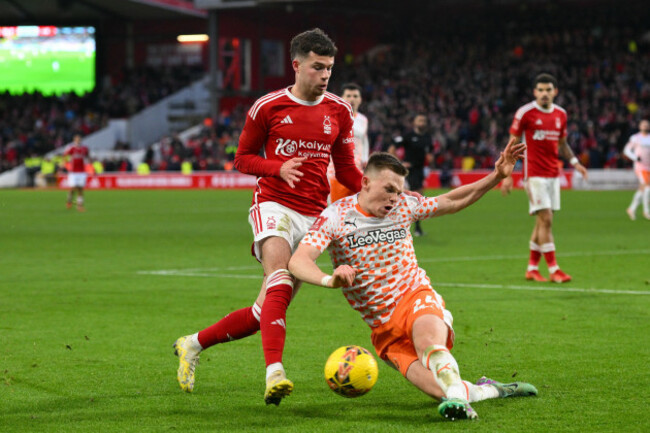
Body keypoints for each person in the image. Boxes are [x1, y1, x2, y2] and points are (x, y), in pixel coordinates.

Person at [173, 28, 363, 406]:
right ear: (296, 65)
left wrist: (375, 195)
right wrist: (277, 168)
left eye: (329, 69)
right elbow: (242, 158)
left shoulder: (339, 111)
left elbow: (346, 171)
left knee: (265, 311)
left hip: (314, 215)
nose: (325, 76)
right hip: (273, 203)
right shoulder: (268, 106)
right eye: (317, 68)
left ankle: (192, 344)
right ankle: (274, 373)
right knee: (277, 274)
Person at [288, 145, 537, 422]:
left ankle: (458, 400)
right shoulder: (336, 215)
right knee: (440, 390)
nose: (395, 197)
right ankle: (490, 391)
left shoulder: (406, 204)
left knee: (428, 342)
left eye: (398, 190)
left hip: (413, 294)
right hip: (382, 326)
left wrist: (496, 176)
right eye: (389, 189)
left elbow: (452, 201)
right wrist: (329, 279)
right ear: (366, 182)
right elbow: (298, 261)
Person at [500, 73, 588, 283]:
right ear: (534, 92)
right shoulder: (526, 113)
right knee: (546, 219)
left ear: (555, 91)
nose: (544, 94)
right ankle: (554, 269)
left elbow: (563, 143)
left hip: (553, 175)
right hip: (534, 175)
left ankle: (531, 268)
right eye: (540, 90)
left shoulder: (561, 114)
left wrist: (575, 163)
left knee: (542, 222)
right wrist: (507, 174)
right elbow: (512, 144)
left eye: (548, 90)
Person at [388, 114, 433, 236]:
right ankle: (408, 228)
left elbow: (430, 152)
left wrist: (430, 160)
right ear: (414, 122)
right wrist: (400, 163)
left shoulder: (427, 138)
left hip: (420, 170)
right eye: (419, 120)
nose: (422, 122)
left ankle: (414, 228)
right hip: (409, 171)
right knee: (414, 198)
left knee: (417, 198)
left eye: (424, 120)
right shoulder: (408, 136)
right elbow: (392, 148)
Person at [328, 83, 370, 202]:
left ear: (360, 99)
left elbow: (364, 139)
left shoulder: (363, 119)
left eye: (355, 96)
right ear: (342, 98)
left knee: (358, 208)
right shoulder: (333, 117)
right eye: (349, 95)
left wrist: (365, 158)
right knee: (338, 208)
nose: (352, 99)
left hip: (357, 169)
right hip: (338, 170)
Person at [623, 119, 650, 220]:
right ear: (640, 126)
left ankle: (631, 209)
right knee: (647, 187)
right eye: (644, 125)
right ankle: (646, 212)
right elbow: (626, 150)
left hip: (649, 166)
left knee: (642, 189)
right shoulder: (635, 138)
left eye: (647, 125)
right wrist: (635, 157)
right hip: (640, 166)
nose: (645, 127)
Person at [64, 134, 90, 211]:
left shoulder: (85, 148)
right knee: (72, 188)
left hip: (82, 171)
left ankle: (79, 206)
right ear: (74, 140)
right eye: (76, 140)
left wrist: (89, 164)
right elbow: (65, 156)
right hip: (73, 172)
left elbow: (88, 156)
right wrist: (66, 163)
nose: (78, 141)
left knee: (80, 189)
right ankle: (69, 201)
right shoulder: (71, 148)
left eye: (79, 139)